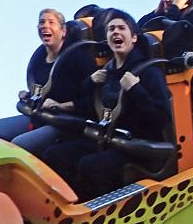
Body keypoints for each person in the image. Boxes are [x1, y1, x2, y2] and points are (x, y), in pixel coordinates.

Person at [41, 10, 171, 200]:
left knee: (91, 165)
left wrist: (136, 90)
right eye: (111, 29)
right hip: (108, 140)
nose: (115, 32)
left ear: (133, 37)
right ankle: (74, 205)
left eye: (121, 28)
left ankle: (104, 213)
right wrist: (89, 84)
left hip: (137, 146)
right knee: (55, 155)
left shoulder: (149, 71)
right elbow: (88, 110)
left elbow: (161, 118)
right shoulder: (106, 73)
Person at [0, 8, 96, 157]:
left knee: (19, 145)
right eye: (42, 22)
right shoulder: (39, 60)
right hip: (40, 117)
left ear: (63, 31)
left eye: (51, 22)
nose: (45, 26)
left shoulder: (78, 58)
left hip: (66, 122)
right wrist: (28, 96)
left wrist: (61, 106)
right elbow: (41, 91)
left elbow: (90, 101)